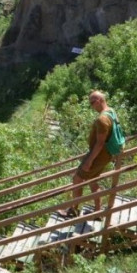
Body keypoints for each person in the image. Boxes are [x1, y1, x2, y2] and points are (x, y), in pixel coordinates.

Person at [59, 90, 118, 218]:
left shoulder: (102, 119)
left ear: (98, 101)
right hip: (105, 154)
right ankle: (98, 211)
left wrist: (89, 161)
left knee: (77, 179)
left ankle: (73, 210)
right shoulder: (111, 111)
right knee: (92, 180)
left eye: (92, 103)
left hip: (99, 155)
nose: (91, 106)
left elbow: (100, 143)